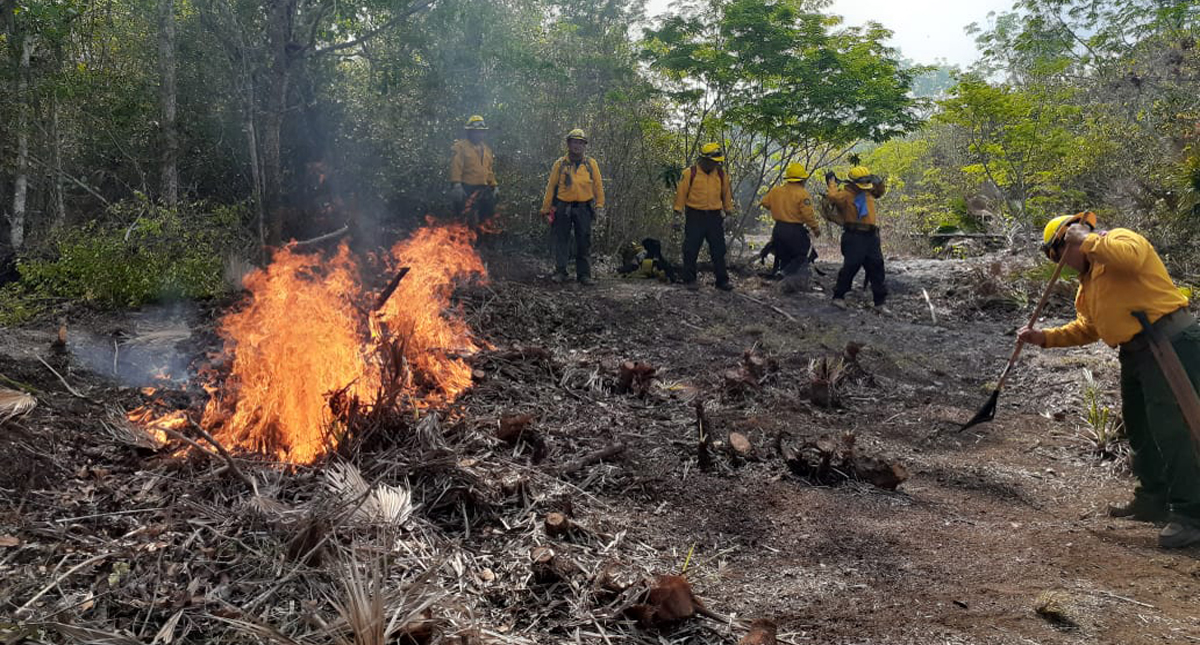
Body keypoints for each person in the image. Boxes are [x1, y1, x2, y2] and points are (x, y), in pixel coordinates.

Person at [1018, 212, 1200, 549]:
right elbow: (1088, 327)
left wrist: (1084, 238)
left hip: (1168, 343)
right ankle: (1153, 498)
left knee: (1174, 427)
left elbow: (1129, 259)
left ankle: (1192, 515)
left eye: (1059, 255)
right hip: (1135, 354)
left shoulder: (1118, 240)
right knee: (1140, 428)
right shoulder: (1087, 286)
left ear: (1070, 237)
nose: (1063, 263)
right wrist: (1043, 338)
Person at [540, 129, 605, 285]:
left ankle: (584, 275)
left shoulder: (591, 164)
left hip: (584, 207)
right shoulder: (560, 164)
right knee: (561, 239)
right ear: (568, 144)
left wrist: (600, 204)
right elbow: (551, 187)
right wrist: (545, 208)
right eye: (574, 142)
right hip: (563, 206)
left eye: (580, 143)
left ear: (584, 146)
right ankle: (561, 271)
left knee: (583, 240)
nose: (577, 145)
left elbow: (598, 185)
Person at [825, 166, 888, 312]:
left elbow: (880, 192)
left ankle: (879, 302)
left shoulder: (869, 192)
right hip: (854, 236)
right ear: (853, 182)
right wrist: (832, 183)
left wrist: (878, 182)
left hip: (871, 236)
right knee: (851, 266)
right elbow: (832, 197)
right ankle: (838, 296)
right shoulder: (845, 194)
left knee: (877, 266)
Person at [674, 143, 734, 291]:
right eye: (713, 162)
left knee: (718, 250)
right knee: (690, 248)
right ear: (704, 159)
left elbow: (726, 194)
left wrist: (729, 214)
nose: (715, 164)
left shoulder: (721, 175)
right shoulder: (690, 173)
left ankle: (722, 281)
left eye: (717, 162)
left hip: (714, 217)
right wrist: (677, 215)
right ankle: (689, 279)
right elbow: (681, 194)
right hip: (695, 215)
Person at [760, 163, 821, 293]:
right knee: (801, 255)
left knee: (785, 255)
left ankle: (785, 285)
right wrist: (815, 229)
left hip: (778, 229)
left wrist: (778, 207)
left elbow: (765, 202)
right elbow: (808, 215)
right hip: (794, 230)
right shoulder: (802, 194)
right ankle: (784, 273)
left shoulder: (776, 190)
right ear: (801, 179)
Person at [449, 115, 498, 226]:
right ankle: (461, 242)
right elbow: (456, 166)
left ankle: (483, 241)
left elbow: (489, 170)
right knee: (464, 220)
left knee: (486, 219)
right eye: (475, 131)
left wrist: (494, 186)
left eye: (481, 131)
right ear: (469, 132)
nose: (478, 134)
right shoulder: (460, 147)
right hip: (466, 189)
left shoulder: (487, 150)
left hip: (483, 189)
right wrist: (456, 185)